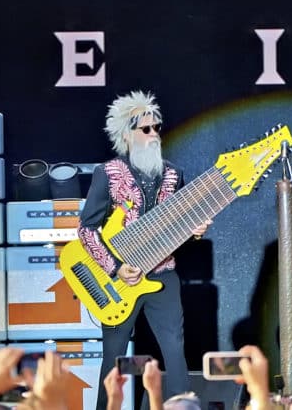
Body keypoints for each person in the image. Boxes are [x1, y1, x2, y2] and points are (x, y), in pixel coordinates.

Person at [78, 90, 211, 410]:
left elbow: (180, 225)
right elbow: (86, 230)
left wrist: (194, 230)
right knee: (114, 355)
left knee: (175, 351)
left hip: (163, 275)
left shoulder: (174, 174)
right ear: (127, 134)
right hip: (120, 282)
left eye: (157, 127)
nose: (154, 135)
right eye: (146, 129)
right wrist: (114, 268)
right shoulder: (107, 174)